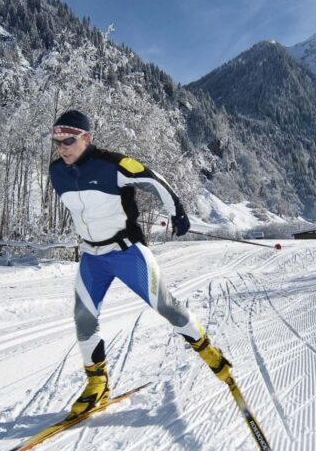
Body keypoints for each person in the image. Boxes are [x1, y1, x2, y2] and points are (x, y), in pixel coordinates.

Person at [49, 110, 232, 419]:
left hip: (127, 252)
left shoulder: (112, 164)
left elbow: (152, 179)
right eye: (57, 142)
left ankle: (211, 353)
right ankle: (98, 384)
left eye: (69, 140)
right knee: (83, 320)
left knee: (167, 308)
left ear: (86, 138)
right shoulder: (57, 172)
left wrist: (178, 212)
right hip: (92, 259)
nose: (62, 147)